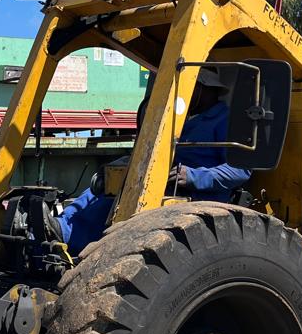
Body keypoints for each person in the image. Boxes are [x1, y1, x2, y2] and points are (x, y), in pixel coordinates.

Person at [57, 84, 251, 254]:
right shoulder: (189, 120)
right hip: (168, 180)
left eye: (192, 85)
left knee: (117, 202)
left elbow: (241, 170)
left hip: (195, 192)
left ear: (204, 89)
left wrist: (194, 176)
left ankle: (69, 237)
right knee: (98, 191)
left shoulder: (225, 120)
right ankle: (61, 226)